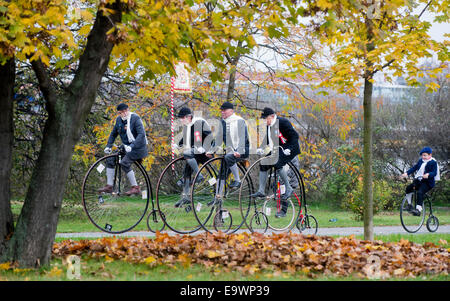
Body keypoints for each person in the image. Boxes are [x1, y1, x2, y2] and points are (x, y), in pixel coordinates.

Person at [250, 107, 300, 218]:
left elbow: (295, 136)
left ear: (272, 116)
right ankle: (261, 190)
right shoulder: (270, 126)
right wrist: (261, 148)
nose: (265, 121)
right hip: (280, 152)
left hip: (290, 154)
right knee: (264, 163)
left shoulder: (283, 122)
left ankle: (284, 208)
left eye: (266, 118)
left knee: (280, 179)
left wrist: (290, 149)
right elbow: (268, 140)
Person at [98, 103, 148, 196]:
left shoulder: (135, 118)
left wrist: (132, 146)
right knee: (110, 160)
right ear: (119, 113)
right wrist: (108, 146)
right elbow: (113, 133)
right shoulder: (118, 120)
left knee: (124, 163)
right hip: (126, 147)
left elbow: (141, 135)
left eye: (126, 111)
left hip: (138, 147)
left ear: (128, 110)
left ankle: (135, 187)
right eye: (122, 112)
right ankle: (109, 186)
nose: (125, 113)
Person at [207, 101, 250, 205]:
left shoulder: (239, 121)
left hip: (242, 150)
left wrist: (239, 151)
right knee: (221, 174)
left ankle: (237, 180)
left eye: (224, 110)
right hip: (230, 153)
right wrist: (211, 151)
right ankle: (218, 197)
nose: (222, 112)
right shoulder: (223, 122)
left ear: (231, 111)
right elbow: (218, 139)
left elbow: (243, 138)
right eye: (221, 110)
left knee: (228, 157)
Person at [173, 107, 214, 207]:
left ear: (189, 117)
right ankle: (186, 197)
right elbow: (185, 138)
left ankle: (199, 175)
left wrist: (205, 148)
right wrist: (177, 145)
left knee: (187, 153)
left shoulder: (199, 122)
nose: (181, 120)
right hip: (195, 153)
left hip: (205, 152)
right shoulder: (188, 126)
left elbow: (210, 136)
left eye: (182, 118)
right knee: (186, 172)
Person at [401, 146, 440, 216]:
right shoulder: (421, 161)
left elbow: (434, 172)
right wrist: (406, 173)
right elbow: (414, 168)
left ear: (430, 155)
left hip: (428, 183)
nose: (423, 157)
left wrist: (428, 174)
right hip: (419, 181)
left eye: (425, 155)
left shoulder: (433, 162)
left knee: (420, 192)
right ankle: (409, 205)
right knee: (408, 188)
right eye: (422, 155)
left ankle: (418, 210)